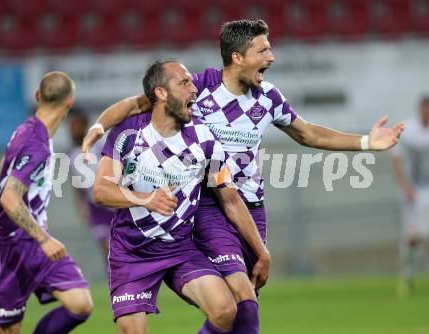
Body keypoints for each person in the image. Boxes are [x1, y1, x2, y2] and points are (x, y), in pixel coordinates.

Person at [83, 19, 405, 333]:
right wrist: (98, 128)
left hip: (250, 205)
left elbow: (308, 134)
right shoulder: (198, 88)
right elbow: (135, 104)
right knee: (241, 299)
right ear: (237, 57)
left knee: (244, 306)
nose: (271, 57)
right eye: (263, 50)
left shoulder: (267, 97)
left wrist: (365, 142)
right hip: (212, 204)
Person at [94, 58, 270, 334]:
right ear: (161, 93)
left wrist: (261, 251)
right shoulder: (128, 133)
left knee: (226, 311)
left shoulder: (205, 140)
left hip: (179, 248)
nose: (193, 89)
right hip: (132, 253)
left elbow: (231, 200)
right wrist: (145, 198)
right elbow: (101, 191)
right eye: (184, 83)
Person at [0, 72, 93, 334]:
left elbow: (6, 165)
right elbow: (9, 199)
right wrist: (45, 239)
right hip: (10, 245)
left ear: (38, 96)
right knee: (7, 331)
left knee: (80, 303)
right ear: (70, 102)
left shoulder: (27, 130)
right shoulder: (36, 143)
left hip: (33, 241)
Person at [391, 96, 429, 297]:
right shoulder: (409, 131)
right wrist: (405, 186)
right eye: (423, 109)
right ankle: (407, 276)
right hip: (414, 192)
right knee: (413, 238)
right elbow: (396, 159)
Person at [67, 109, 115, 262]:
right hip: (96, 208)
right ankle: (115, 282)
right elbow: (79, 185)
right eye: (70, 125)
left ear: (85, 125)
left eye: (76, 124)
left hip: (116, 204)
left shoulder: (100, 144)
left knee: (118, 249)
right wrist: (81, 203)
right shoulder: (71, 154)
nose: (72, 128)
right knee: (107, 249)